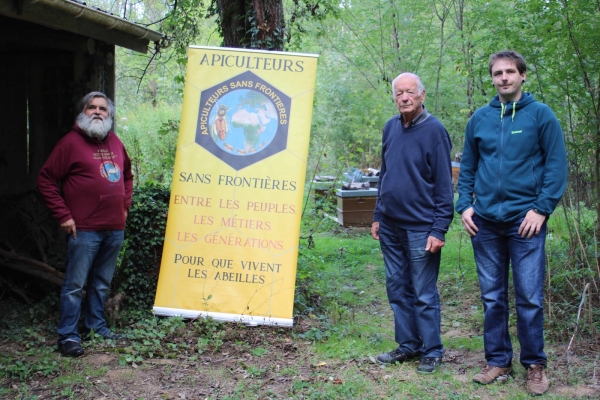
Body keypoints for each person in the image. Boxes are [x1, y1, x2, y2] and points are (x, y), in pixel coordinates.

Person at [455, 51, 567, 395]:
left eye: (509, 72)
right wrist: (464, 206)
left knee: (529, 296)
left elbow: (556, 166)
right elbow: (468, 167)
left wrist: (542, 209)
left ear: (522, 76)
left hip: (525, 222)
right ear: (492, 78)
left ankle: (534, 365)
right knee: (492, 297)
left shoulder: (541, 116)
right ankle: (498, 361)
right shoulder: (480, 119)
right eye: (497, 73)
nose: (503, 77)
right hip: (485, 222)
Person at [38, 92, 134, 357]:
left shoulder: (115, 141)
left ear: (109, 114)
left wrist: (125, 207)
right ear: (83, 112)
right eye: (91, 107)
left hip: (114, 227)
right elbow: (45, 179)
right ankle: (68, 336)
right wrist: (64, 215)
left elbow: (127, 176)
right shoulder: (69, 143)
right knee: (74, 286)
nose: (97, 112)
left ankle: (96, 326)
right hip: (85, 229)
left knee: (102, 282)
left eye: (102, 108)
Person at [371, 73, 454, 374]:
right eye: (399, 93)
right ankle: (408, 345)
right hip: (390, 225)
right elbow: (385, 174)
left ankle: (432, 350)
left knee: (422, 291)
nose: (404, 98)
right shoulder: (391, 127)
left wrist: (439, 228)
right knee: (397, 287)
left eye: (410, 92)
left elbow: (445, 185)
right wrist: (378, 215)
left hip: (421, 227)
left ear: (422, 95)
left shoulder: (435, 131)